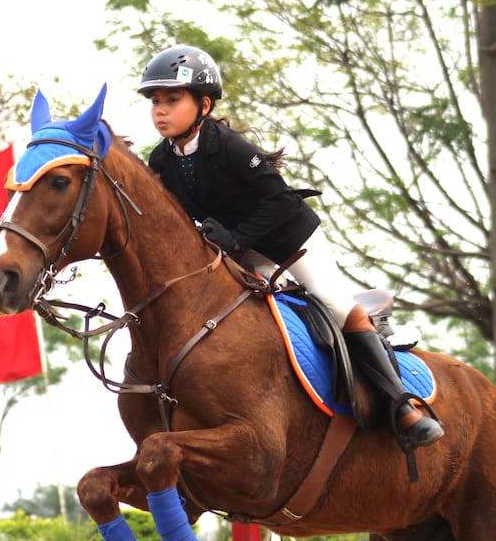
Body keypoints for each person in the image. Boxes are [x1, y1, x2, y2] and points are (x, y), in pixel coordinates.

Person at [139, 45, 443, 448]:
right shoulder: (161, 160)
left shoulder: (229, 146)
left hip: (290, 238)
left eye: (172, 100)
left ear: (204, 104)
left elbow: (281, 201)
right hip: (240, 251)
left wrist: (238, 239)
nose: (160, 110)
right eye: (155, 101)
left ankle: (401, 405)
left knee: (332, 302)